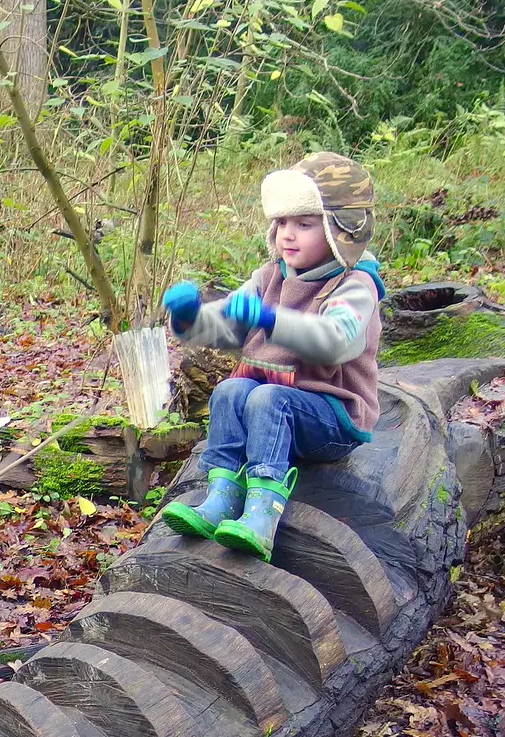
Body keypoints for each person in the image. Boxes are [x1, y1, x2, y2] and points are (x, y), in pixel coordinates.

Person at [158, 151, 386, 561]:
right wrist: (190, 319)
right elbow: (229, 325)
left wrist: (270, 318)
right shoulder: (270, 277)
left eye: (304, 224)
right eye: (281, 223)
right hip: (278, 409)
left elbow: (335, 341)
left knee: (265, 398)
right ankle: (221, 496)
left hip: (334, 416)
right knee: (230, 390)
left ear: (341, 230)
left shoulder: (354, 286)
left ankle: (262, 514)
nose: (287, 235)